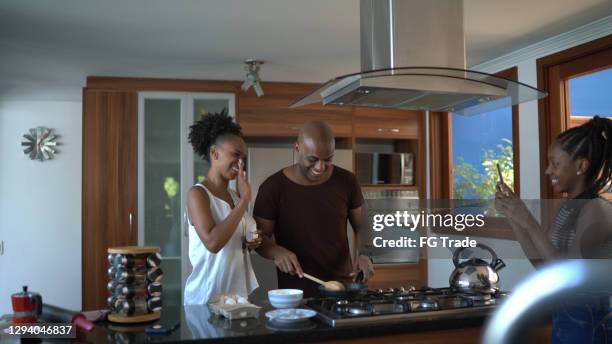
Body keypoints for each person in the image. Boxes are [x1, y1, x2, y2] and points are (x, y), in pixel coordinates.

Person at [495, 115, 612, 342]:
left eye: (555, 163)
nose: (548, 171)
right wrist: (512, 215)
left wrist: (527, 219)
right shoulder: (566, 208)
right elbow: (543, 265)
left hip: (591, 327)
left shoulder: (597, 210)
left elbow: (569, 276)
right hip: (566, 321)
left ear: (580, 166)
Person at [253, 121, 374, 297]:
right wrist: (276, 251)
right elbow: (257, 237)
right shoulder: (272, 188)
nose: (320, 167)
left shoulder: (347, 181)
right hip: (297, 292)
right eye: (313, 159)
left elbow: (362, 223)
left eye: (328, 159)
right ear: (297, 148)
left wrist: (365, 254)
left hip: (342, 287)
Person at [183, 110, 263, 305]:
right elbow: (213, 243)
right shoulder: (198, 194)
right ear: (214, 153)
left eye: (243, 158)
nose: (240, 164)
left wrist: (252, 242)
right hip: (205, 299)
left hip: (236, 298)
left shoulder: (235, 197)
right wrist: (245, 201)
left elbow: (235, 241)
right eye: (235, 155)